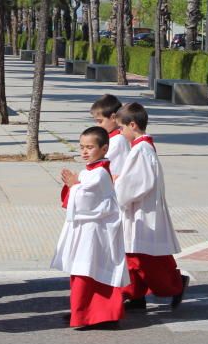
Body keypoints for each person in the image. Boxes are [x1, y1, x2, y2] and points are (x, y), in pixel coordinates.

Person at [52, 126, 129, 329]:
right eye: (82, 147)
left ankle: (97, 315)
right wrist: (75, 185)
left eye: (90, 147)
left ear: (104, 149)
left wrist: (74, 186)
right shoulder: (90, 170)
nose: (85, 151)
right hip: (88, 229)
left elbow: (87, 199)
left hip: (97, 232)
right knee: (84, 271)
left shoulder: (100, 173)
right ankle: (85, 312)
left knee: (88, 272)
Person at [114, 102, 188, 310]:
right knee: (132, 255)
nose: (120, 133)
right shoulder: (140, 148)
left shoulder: (142, 150)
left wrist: (117, 187)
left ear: (133, 125)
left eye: (121, 128)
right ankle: (135, 295)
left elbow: (138, 184)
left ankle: (175, 285)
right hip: (137, 209)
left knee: (144, 258)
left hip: (142, 211)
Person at [90, 94, 129, 177]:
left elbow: (99, 161)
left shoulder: (118, 140)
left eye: (100, 121)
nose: (98, 125)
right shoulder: (113, 137)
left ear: (113, 117)